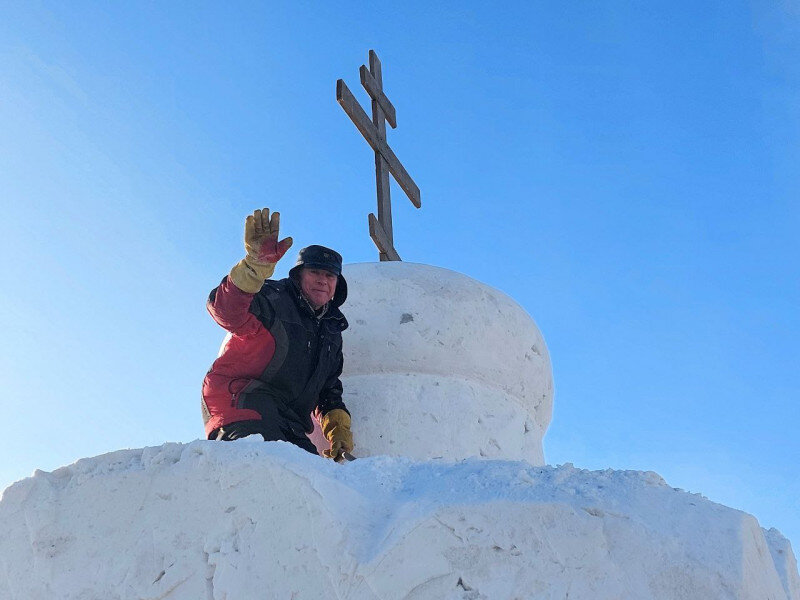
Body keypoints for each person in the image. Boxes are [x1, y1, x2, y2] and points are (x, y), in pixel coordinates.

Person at [201, 208, 353, 460]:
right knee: (268, 464)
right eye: (315, 272)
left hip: (288, 419)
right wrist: (254, 267)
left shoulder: (331, 333)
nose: (323, 280)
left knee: (311, 473)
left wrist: (338, 430)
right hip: (243, 401)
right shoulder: (273, 298)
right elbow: (226, 311)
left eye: (330, 275)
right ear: (299, 276)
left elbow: (328, 389)